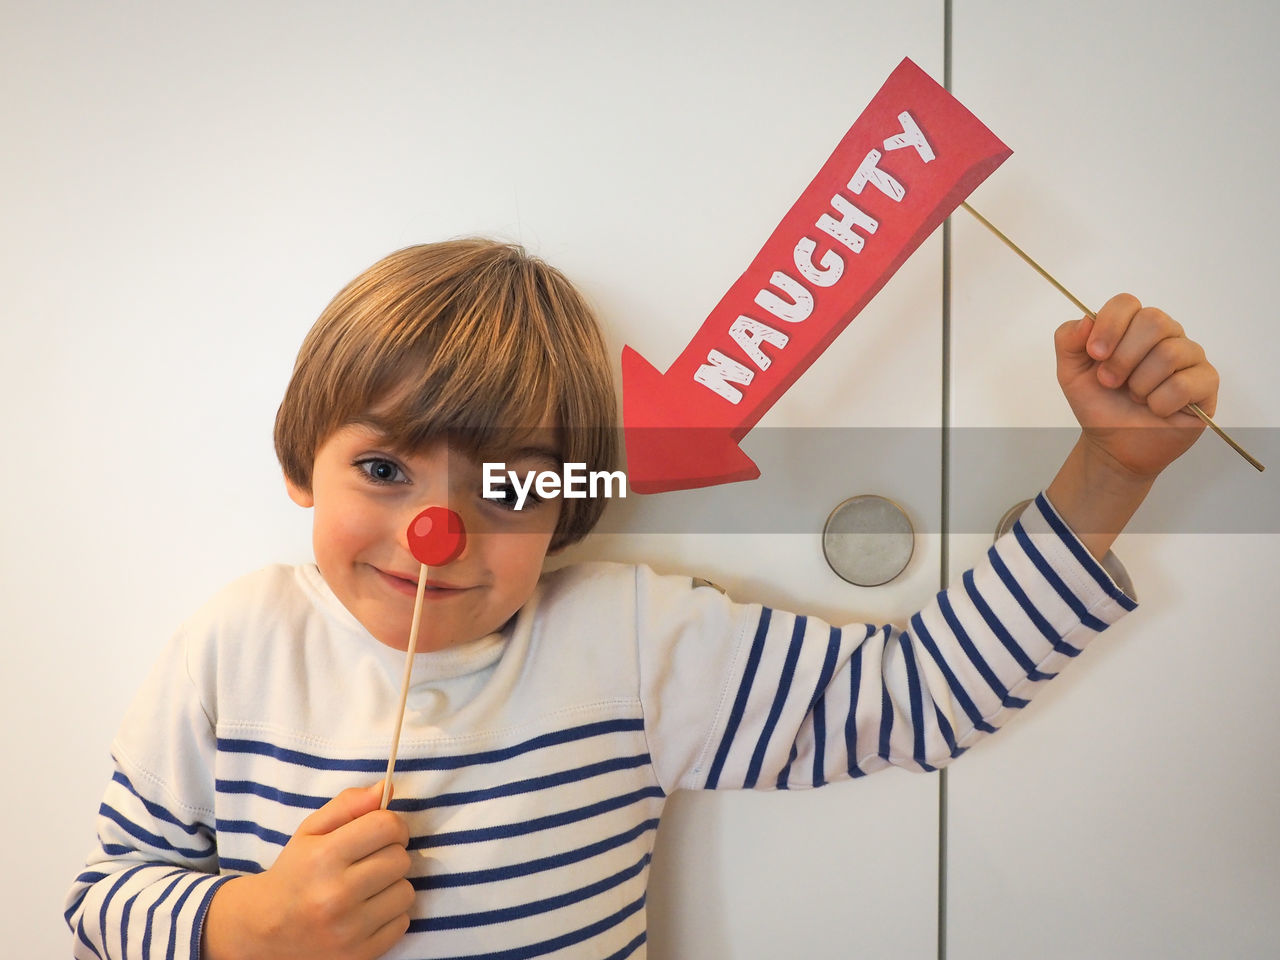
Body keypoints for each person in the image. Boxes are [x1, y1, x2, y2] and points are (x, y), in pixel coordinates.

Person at [65, 238, 1218, 959]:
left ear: (566, 509)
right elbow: (104, 901)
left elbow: (911, 697)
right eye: (382, 470)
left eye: (506, 485)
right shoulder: (233, 643)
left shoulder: (625, 638)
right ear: (297, 462)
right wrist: (242, 930)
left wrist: (1109, 472)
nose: (436, 531)